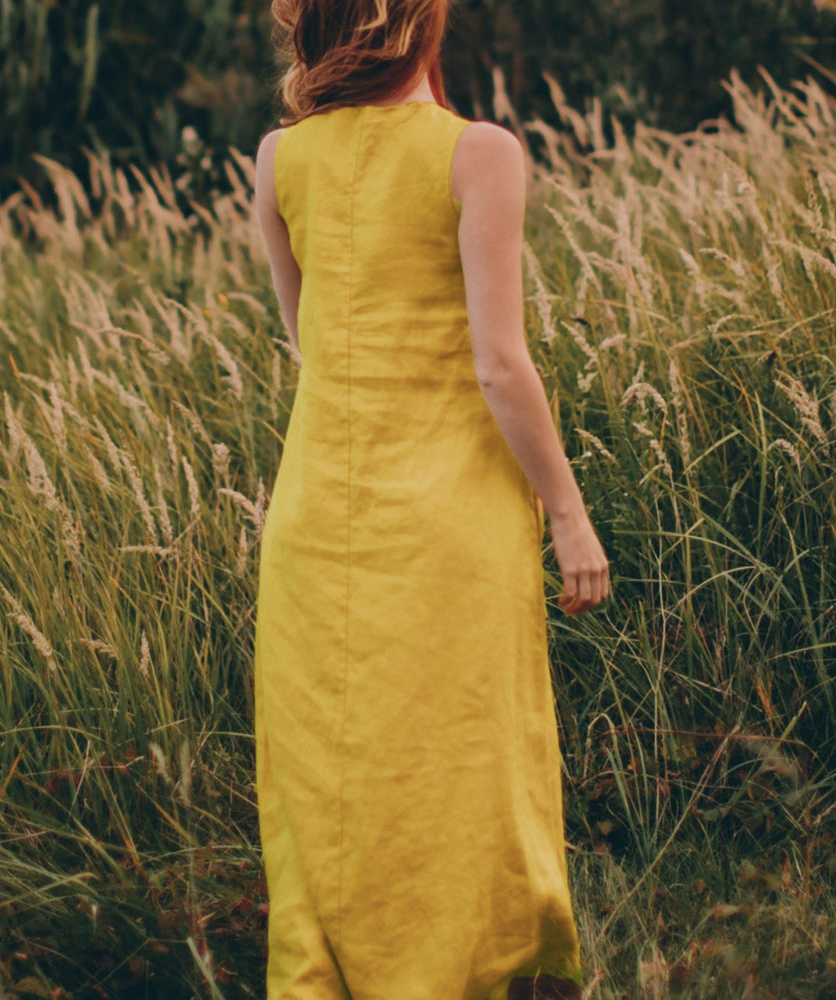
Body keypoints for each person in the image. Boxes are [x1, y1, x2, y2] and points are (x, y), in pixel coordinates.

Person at [251, 1, 610, 997]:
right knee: (457, 760)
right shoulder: (478, 153)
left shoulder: (277, 160)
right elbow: (499, 366)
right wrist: (571, 515)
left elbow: (310, 344)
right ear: (422, 26)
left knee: (333, 778)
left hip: (316, 523)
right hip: (450, 515)